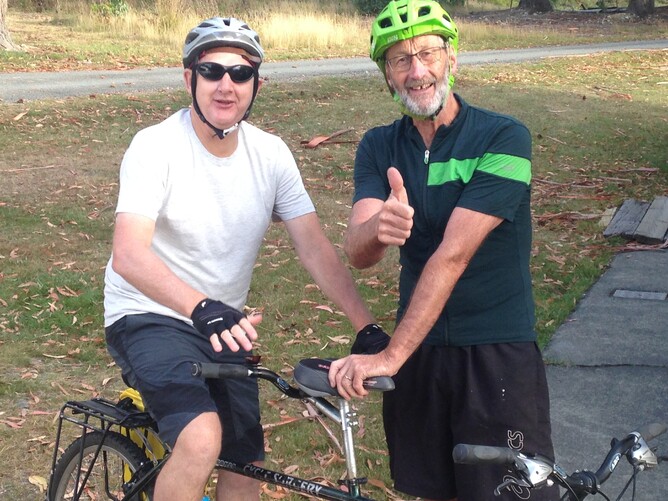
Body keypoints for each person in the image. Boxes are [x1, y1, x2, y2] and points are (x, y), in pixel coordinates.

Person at [103, 16, 382, 501]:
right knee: (201, 438)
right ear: (189, 78)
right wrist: (200, 306)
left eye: (241, 72)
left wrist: (365, 326)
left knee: (246, 462)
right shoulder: (155, 147)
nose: (226, 84)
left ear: (258, 83)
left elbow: (313, 246)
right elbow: (128, 254)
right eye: (211, 70)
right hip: (148, 314)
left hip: (222, 325)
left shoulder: (271, 155)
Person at [328, 1, 559, 500]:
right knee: (431, 491)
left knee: (511, 493)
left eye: (428, 53)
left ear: (452, 59)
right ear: (386, 77)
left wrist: (390, 355)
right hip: (423, 356)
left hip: (495, 355)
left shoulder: (504, 137)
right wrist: (379, 229)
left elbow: (453, 255)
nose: (417, 71)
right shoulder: (378, 147)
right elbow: (358, 250)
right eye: (400, 60)